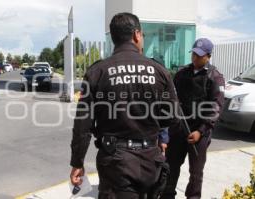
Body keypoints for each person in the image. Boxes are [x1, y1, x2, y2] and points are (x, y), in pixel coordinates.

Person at [70, 12, 179, 199]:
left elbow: (83, 126)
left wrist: (77, 162)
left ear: (114, 38)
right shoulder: (159, 71)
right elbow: (172, 116)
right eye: (142, 35)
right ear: (136, 34)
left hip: (115, 163)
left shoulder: (97, 72)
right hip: (150, 162)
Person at [160, 38, 225, 199]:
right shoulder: (182, 73)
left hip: (199, 133)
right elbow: (171, 99)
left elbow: (216, 108)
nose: (195, 58)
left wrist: (201, 131)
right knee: (170, 167)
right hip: (179, 129)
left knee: (196, 173)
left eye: (199, 55)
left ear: (208, 56)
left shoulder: (215, 77)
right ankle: (167, 195)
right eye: (194, 54)